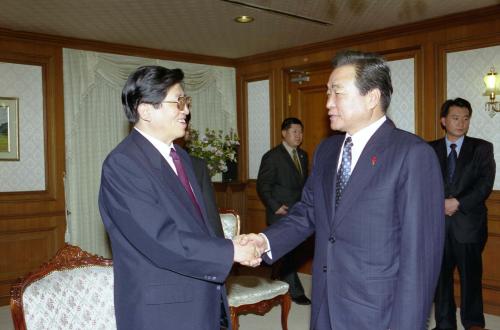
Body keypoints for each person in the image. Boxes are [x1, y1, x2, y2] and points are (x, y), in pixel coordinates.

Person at [240, 50, 445, 329]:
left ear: (371, 97)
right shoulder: (327, 150)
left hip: (377, 310)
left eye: (337, 93)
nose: (328, 103)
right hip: (325, 301)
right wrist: (264, 242)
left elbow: (419, 259)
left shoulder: (412, 155)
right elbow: (309, 212)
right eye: (327, 93)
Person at [98, 65, 260, 330]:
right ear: (146, 110)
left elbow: (198, 225)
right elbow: (160, 239)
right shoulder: (123, 165)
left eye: (187, 101)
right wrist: (231, 251)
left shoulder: (183, 158)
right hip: (163, 310)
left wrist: (229, 243)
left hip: (202, 294)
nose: (186, 110)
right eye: (178, 102)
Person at [430, 98, 496, 330]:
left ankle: (473, 322)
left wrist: (457, 202)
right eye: (456, 118)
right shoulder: (428, 149)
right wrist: (439, 204)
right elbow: (421, 184)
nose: (461, 123)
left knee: (471, 279)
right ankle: (445, 323)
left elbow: (485, 184)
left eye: (466, 118)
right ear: (443, 120)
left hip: (469, 225)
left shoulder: (482, 148)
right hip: (437, 226)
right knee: (440, 280)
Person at [256, 117, 311, 305]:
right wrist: (275, 205)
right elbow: (263, 186)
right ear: (284, 133)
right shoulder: (272, 156)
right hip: (280, 212)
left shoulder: (303, 156)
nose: (299, 135)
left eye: (300, 132)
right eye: (294, 131)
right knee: (288, 253)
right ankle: (296, 292)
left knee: (292, 252)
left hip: (298, 213)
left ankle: (276, 273)